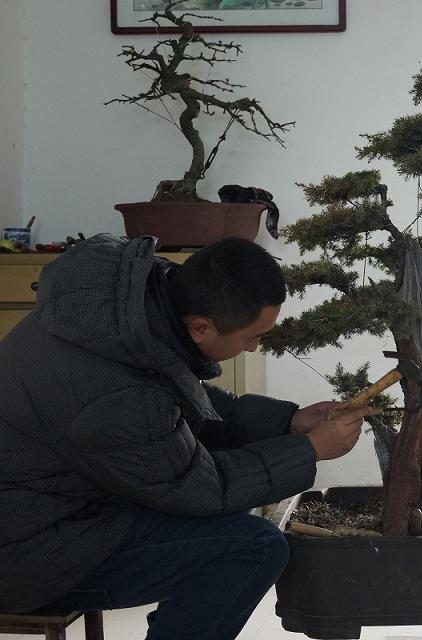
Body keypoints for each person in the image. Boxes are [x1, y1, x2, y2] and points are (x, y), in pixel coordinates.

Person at [0, 233, 369, 639]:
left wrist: (289, 421)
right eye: (253, 337)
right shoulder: (116, 395)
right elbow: (202, 489)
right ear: (201, 328)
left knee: (237, 512)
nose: (253, 348)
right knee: (253, 547)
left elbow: (179, 409)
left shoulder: (122, 313)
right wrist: (309, 450)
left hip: (56, 511)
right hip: (24, 557)